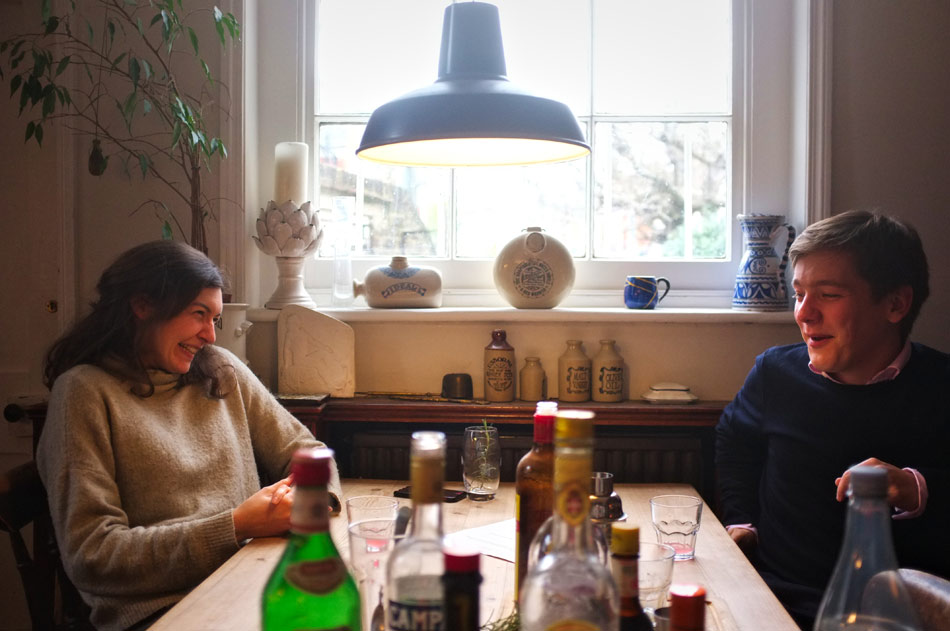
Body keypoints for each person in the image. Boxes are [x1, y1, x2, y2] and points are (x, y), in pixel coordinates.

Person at [37, 241, 341, 631]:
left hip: (249, 580)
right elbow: (93, 555)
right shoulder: (82, 394)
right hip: (162, 613)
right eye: (199, 314)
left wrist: (314, 497)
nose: (210, 336)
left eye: (215, 318)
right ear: (142, 305)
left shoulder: (221, 370)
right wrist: (236, 526)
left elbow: (309, 452)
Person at [716, 210, 950, 628]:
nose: (804, 314)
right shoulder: (774, 373)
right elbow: (734, 442)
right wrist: (742, 521)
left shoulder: (942, 386)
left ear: (896, 303)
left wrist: (914, 487)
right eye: (799, 293)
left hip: (896, 620)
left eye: (828, 294)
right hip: (772, 605)